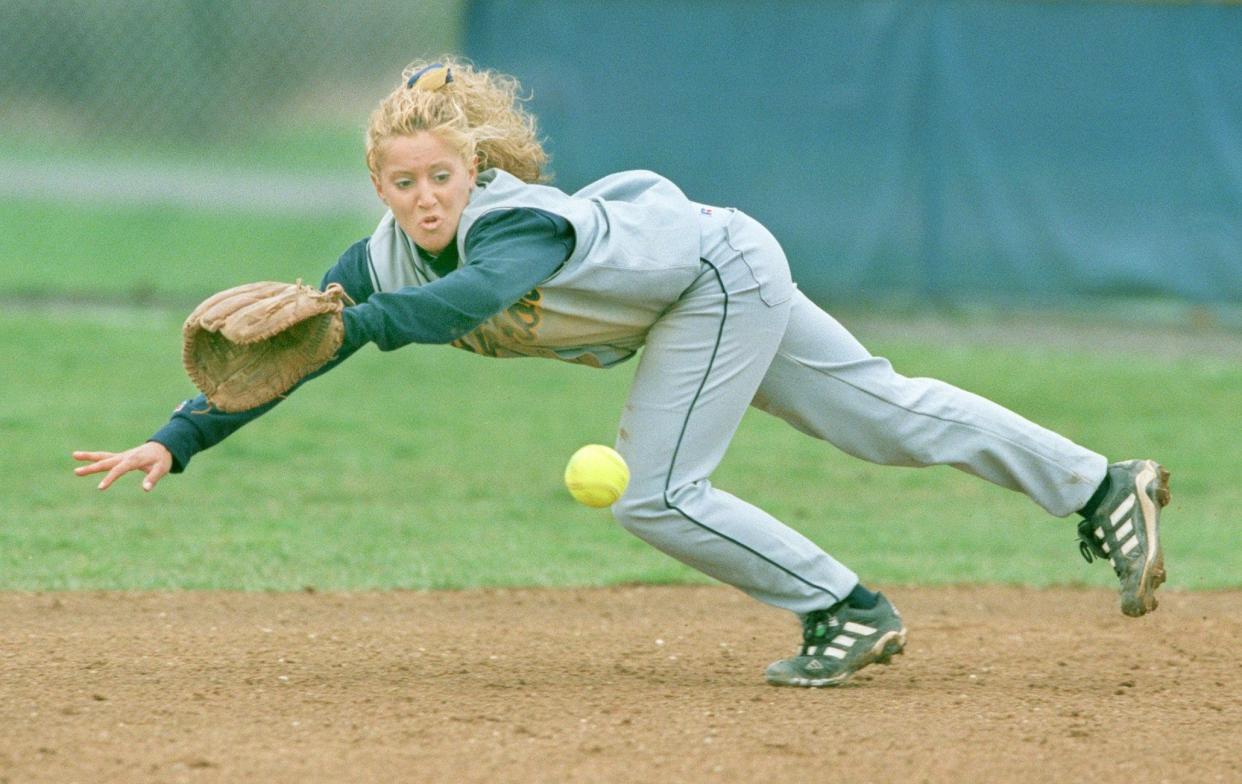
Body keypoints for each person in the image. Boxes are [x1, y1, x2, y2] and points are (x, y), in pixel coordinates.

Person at [73, 58, 1170, 688]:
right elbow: (290, 352)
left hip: (718, 276)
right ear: (379, 182)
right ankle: (1098, 481)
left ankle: (846, 608)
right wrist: (176, 436)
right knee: (879, 414)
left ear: (472, 168)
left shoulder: (512, 227)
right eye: (401, 180)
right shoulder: (380, 259)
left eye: (439, 174)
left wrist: (363, 321)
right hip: (696, 282)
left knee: (656, 490)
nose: (423, 197)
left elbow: (463, 304)